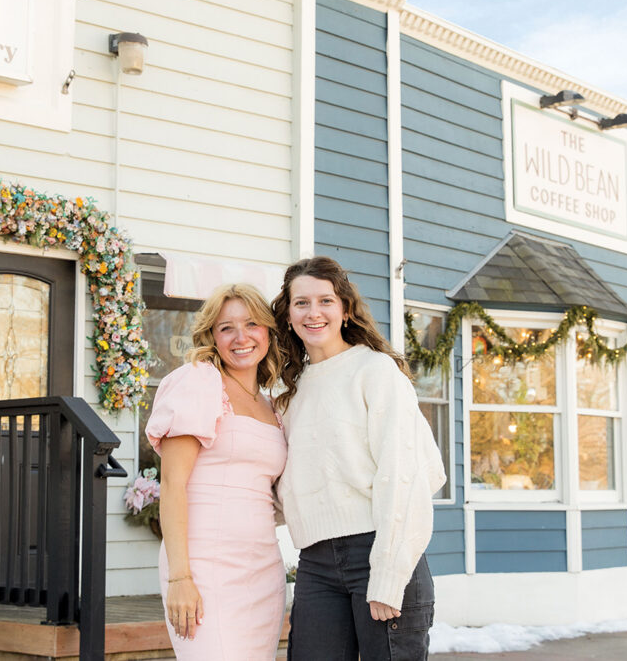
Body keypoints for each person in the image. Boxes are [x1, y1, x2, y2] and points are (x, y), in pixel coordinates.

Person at [272, 256, 446, 660]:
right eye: (301, 303)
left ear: (345, 309)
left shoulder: (375, 370)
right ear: (288, 313)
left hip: (377, 549)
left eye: (325, 301)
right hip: (315, 562)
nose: (313, 313)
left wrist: (388, 574)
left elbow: (403, 475)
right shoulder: (290, 391)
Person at [145, 283, 287, 660]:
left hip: (262, 567)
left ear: (269, 333)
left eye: (252, 324)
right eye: (227, 328)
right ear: (212, 336)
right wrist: (180, 578)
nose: (241, 337)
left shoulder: (272, 403)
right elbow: (173, 485)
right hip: (205, 567)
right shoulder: (198, 382)